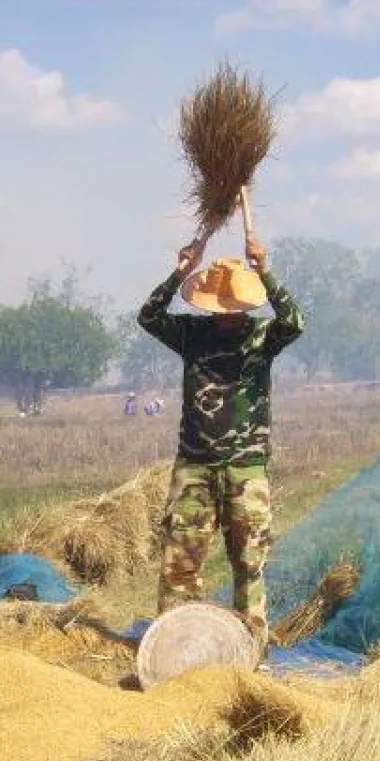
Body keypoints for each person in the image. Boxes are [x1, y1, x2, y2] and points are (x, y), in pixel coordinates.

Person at [138, 233, 305, 652]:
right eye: (222, 307)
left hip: (247, 471)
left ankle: (251, 651)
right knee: (180, 564)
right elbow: (148, 315)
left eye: (235, 307)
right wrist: (181, 270)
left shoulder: (264, 336)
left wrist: (264, 270)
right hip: (194, 467)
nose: (229, 316)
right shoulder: (191, 333)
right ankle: (174, 652)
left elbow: (296, 321)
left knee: (250, 564)